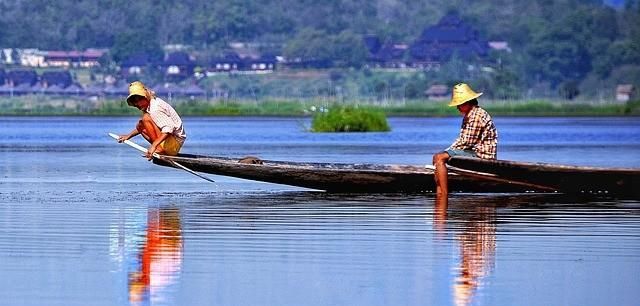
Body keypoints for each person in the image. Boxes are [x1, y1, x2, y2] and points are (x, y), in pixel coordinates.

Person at [432, 83, 497, 196]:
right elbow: (463, 140)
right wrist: (448, 151)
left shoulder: (476, 116)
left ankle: (444, 195)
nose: (458, 107)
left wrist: (446, 152)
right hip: (473, 152)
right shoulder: (470, 114)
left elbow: (466, 142)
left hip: (482, 156)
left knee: (439, 157)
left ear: (468, 103)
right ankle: (439, 193)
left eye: (460, 104)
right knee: (438, 158)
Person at [117, 81, 186, 159]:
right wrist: (128, 136)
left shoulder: (155, 108)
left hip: (174, 145)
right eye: (134, 102)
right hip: (169, 144)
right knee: (140, 125)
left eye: (138, 100)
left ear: (145, 97)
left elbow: (169, 129)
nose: (136, 104)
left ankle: (159, 148)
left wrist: (154, 146)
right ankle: (159, 148)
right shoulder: (149, 106)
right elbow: (141, 128)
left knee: (146, 118)